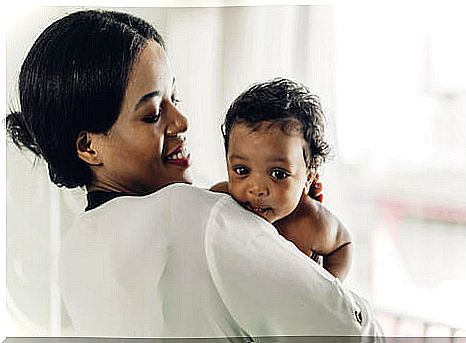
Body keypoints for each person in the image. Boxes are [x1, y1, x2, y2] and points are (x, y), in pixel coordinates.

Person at [6, 9, 383, 339]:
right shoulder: (197, 215)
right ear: (89, 146)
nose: (181, 121)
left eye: (176, 98)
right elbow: (353, 334)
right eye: (153, 114)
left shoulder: (75, 253)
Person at [212, 78, 352, 281]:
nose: (257, 188)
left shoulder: (311, 222)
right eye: (242, 170)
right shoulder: (222, 201)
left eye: (278, 174)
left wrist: (329, 286)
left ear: (309, 175)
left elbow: (343, 245)